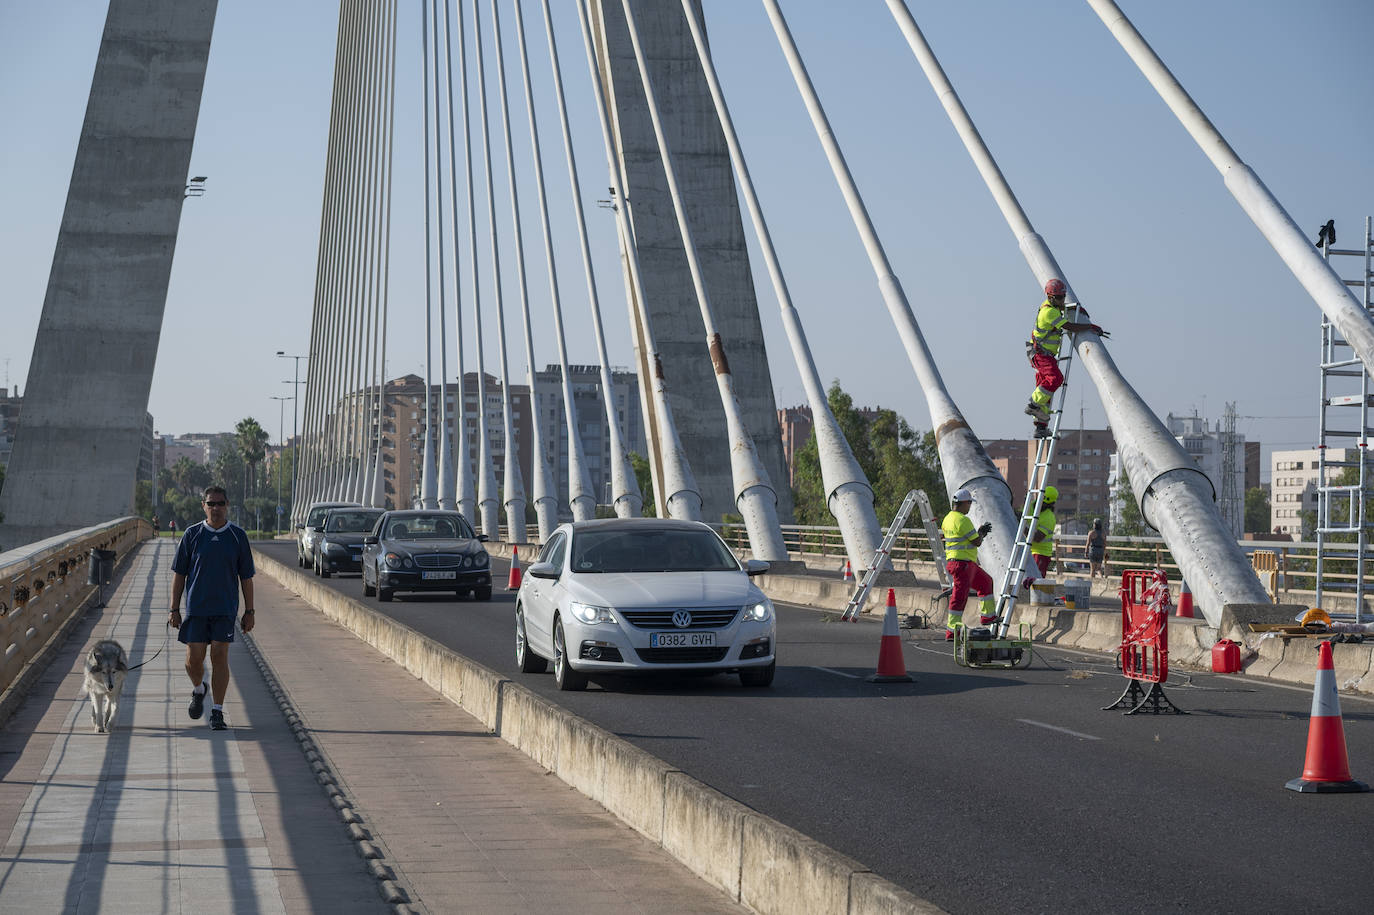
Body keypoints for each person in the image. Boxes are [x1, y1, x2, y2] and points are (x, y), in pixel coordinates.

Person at [168, 485, 256, 731]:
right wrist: (174, 609)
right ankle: (199, 689)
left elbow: (246, 578)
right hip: (196, 609)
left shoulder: (238, 536)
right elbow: (180, 574)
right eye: (211, 504)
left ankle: (217, 711)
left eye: (220, 503)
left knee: (219, 655)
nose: (215, 508)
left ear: (227, 505)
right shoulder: (192, 534)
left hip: (225, 610)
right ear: (203, 506)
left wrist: (250, 611)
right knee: (193, 661)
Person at [1025, 278, 1108, 433]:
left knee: (1045, 389)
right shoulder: (1048, 312)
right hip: (1040, 353)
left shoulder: (1054, 307)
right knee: (1055, 379)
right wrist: (1089, 326)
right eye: (1059, 297)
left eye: (1063, 296)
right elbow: (1069, 326)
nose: (1062, 300)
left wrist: (1078, 311)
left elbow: (1063, 312)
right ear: (1050, 297)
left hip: (1045, 354)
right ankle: (1033, 405)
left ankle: (1041, 426)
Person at [941, 488, 996, 640]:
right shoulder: (963, 520)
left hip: (962, 563)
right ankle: (952, 632)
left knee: (986, 582)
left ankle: (988, 617)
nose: (970, 506)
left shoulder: (947, 518)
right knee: (959, 597)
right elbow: (976, 541)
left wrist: (978, 533)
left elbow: (964, 539)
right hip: (962, 564)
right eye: (969, 503)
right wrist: (982, 533)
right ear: (964, 503)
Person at [1029, 485, 1058, 578]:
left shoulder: (1049, 518)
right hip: (1028, 550)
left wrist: (1022, 526)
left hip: (1041, 553)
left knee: (1036, 580)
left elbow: (1037, 538)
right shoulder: (1031, 506)